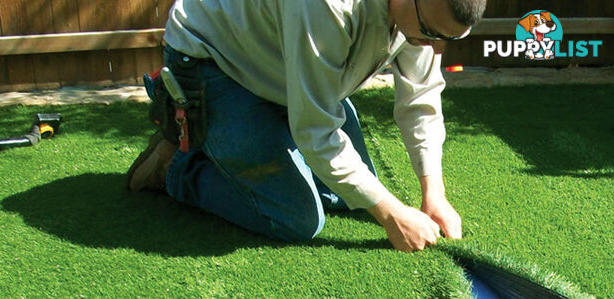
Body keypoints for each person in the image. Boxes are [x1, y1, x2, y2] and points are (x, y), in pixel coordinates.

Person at [127, 0, 486, 252]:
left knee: (343, 196)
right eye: (428, 33)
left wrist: (432, 194)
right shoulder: (328, 4)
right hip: (214, 62)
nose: (435, 47)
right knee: (296, 217)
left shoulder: (422, 17)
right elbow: (315, 131)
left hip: (278, 67)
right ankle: (178, 162)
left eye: (448, 38)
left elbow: (420, 100)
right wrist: (391, 213)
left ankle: (238, 137)